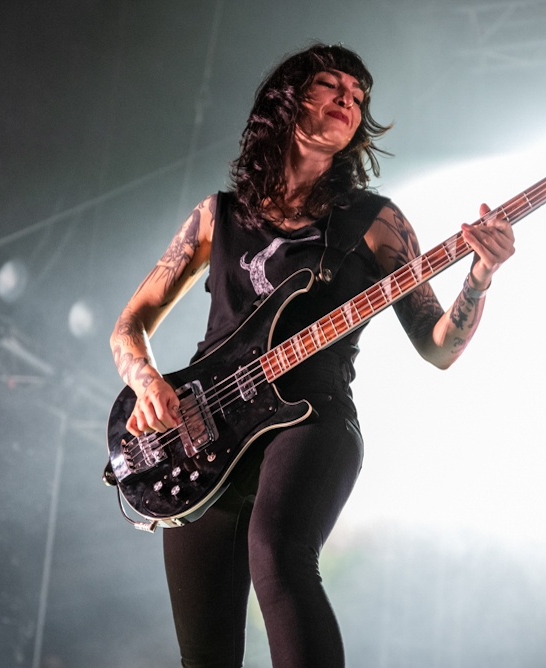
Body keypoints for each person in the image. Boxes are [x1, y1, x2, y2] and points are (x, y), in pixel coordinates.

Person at [109, 43, 515, 668]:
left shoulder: (376, 221)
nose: (348, 100)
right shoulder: (217, 216)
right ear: (288, 99)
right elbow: (129, 324)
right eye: (332, 85)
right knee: (204, 653)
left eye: (358, 96)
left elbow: (438, 347)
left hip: (312, 416)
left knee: (278, 555)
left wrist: (479, 277)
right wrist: (147, 382)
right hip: (202, 429)